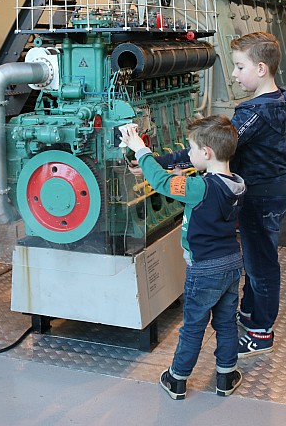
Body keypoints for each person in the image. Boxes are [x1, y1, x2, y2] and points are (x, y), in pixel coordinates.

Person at [148, 32, 286, 358]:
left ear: (260, 68)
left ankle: (260, 333)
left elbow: (213, 150)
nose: (233, 73)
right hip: (276, 190)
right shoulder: (284, 98)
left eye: (239, 66)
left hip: (261, 196)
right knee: (260, 257)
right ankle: (250, 314)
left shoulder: (254, 112)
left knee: (261, 265)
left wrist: (157, 162)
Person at [121, 115, 245, 400]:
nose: (188, 155)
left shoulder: (200, 188)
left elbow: (163, 184)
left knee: (193, 327)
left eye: (191, 150)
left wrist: (141, 150)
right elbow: (193, 189)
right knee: (226, 323)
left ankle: (176, 379)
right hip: (231, 264)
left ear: (207, 153)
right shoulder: (236, 183)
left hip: (204, 271)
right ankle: (226, 376)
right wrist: (155, 168)